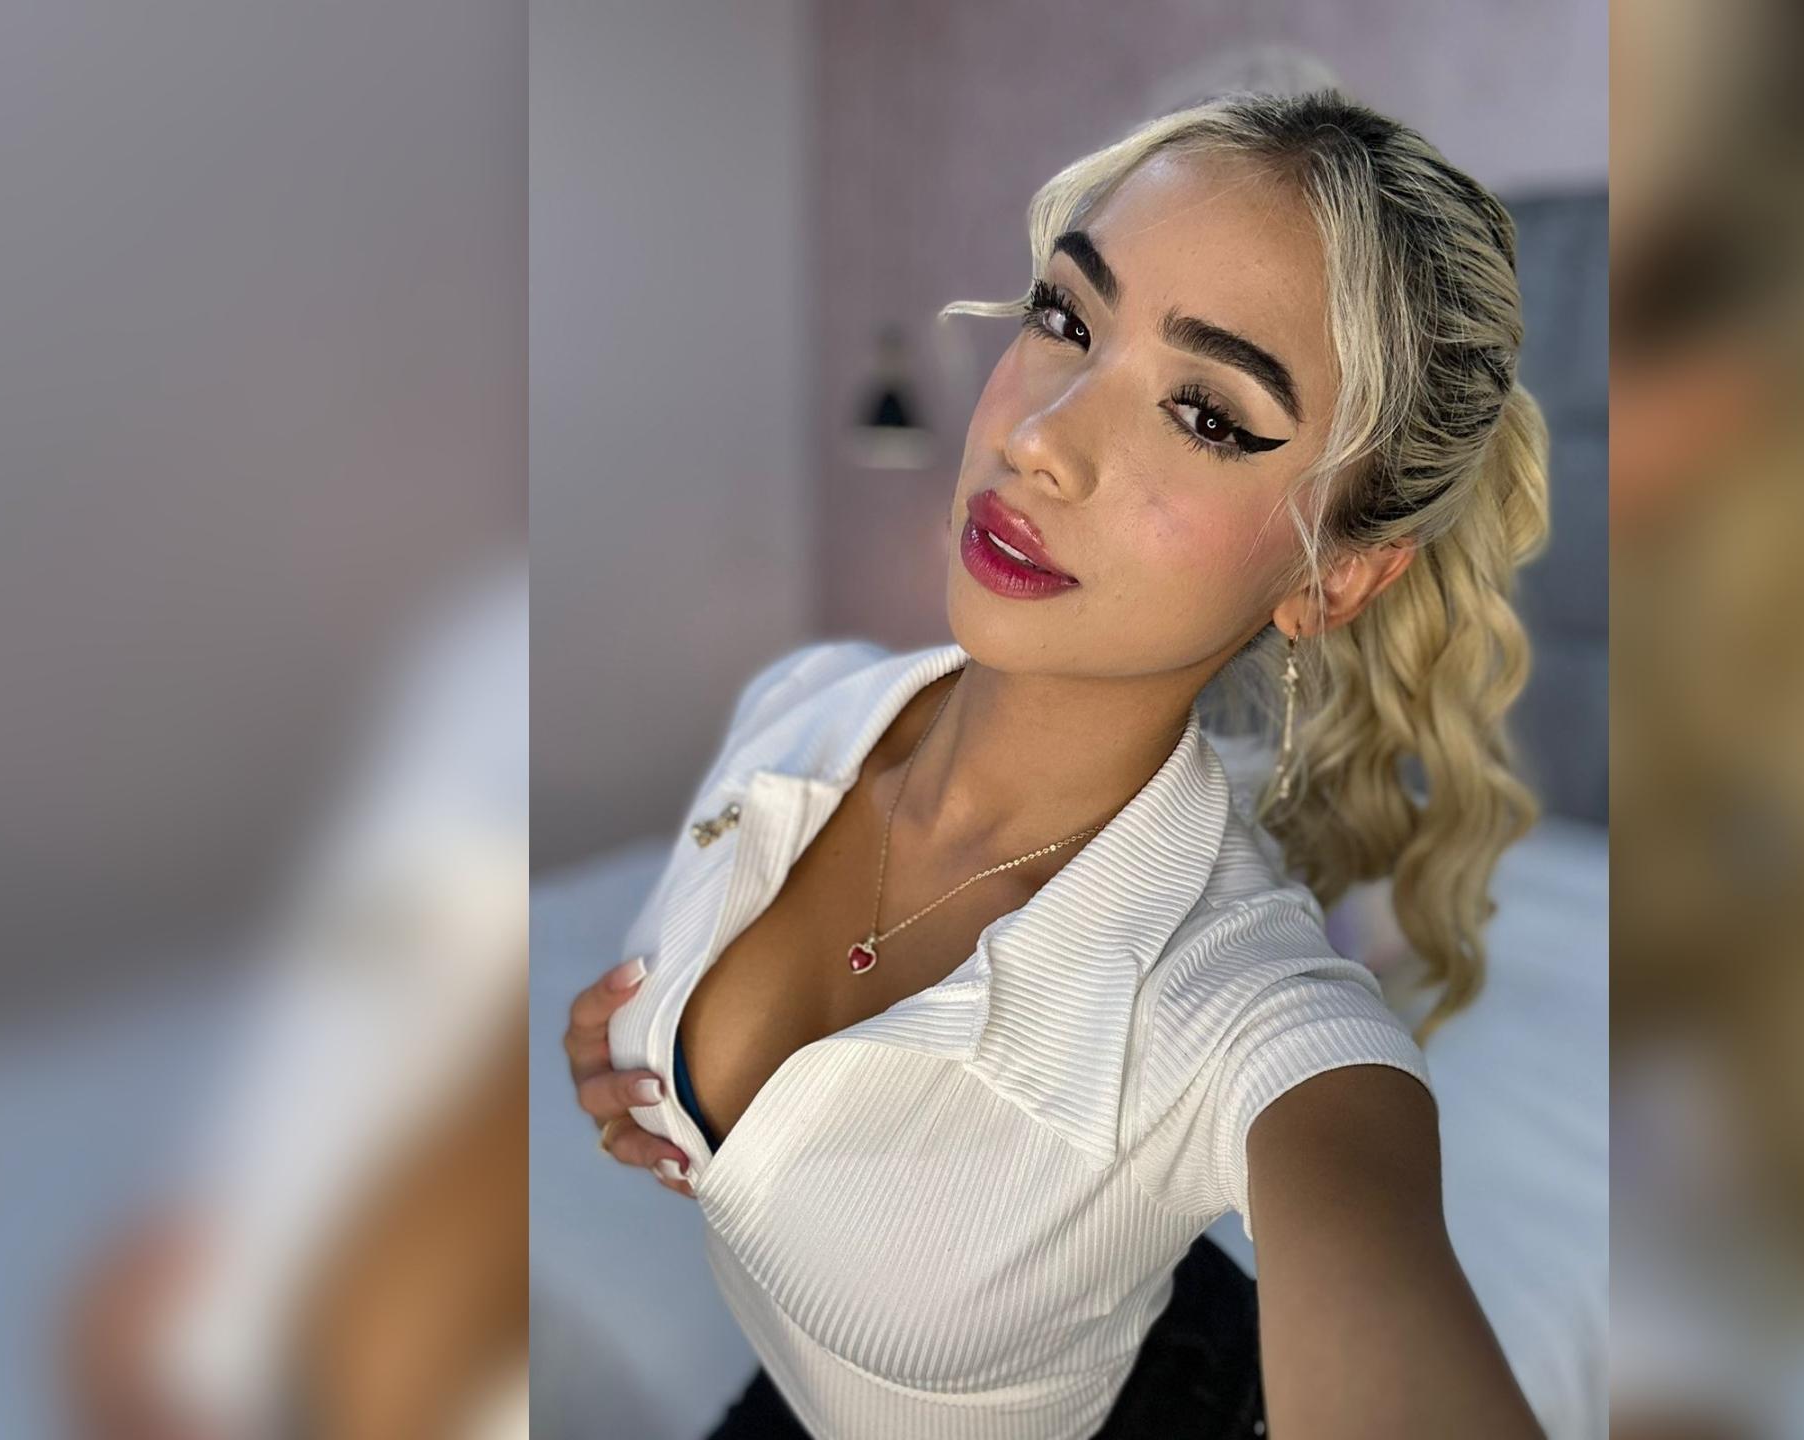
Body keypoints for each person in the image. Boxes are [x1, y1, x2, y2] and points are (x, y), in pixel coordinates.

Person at [563, 89, 1549, 1440]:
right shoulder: (801, 704)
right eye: (1067, 320)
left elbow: (1358, 1212)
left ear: (1335, 577)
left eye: (1206, 414)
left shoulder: (1252, 1016)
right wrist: (652, 1054)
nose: (1038, 439)